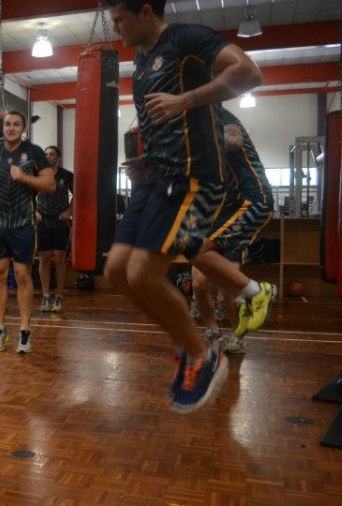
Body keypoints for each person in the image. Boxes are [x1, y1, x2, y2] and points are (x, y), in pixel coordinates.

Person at [104, 0, 274, 413]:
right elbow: (163, 128)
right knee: (116, 272)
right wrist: (145, 160)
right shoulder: (141, 66)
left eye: (119, 19)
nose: (116, 29)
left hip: (195, 179)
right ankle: (186, 344)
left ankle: (203, 355)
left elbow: (249, 72)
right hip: (156, 180)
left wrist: (186, 100)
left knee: (144, 273)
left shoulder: (184, 39)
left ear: (145, 11)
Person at [0, 111, 55, 354]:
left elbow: (49, 185)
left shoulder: (34, 152)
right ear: (1, 128)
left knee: (22, 274)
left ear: (23, 128)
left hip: (24, 222)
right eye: (7, 124)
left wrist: (25, 177)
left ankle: (25, 330)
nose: (11, 128)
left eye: (16, 124)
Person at [191, 109, 274, 355]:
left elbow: (235, 140)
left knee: (227, 290)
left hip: (248, 201)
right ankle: (212, 328)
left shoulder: (217, 115)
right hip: (216, 215)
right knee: (197, 282)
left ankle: (239, 331)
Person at [34, 146, 74, 312]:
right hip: (43, 221)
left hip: (60, 221)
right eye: (46, 154)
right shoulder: (38, 175)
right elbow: (28, 195)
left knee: (59, 258)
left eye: (51, 154)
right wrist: (34, 211)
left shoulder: (66, 175)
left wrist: (68, 212)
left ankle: (59, 296)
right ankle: (45, 295)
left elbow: (78, 195)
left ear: (58, 157)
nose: (48, 157)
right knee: (44, 257)